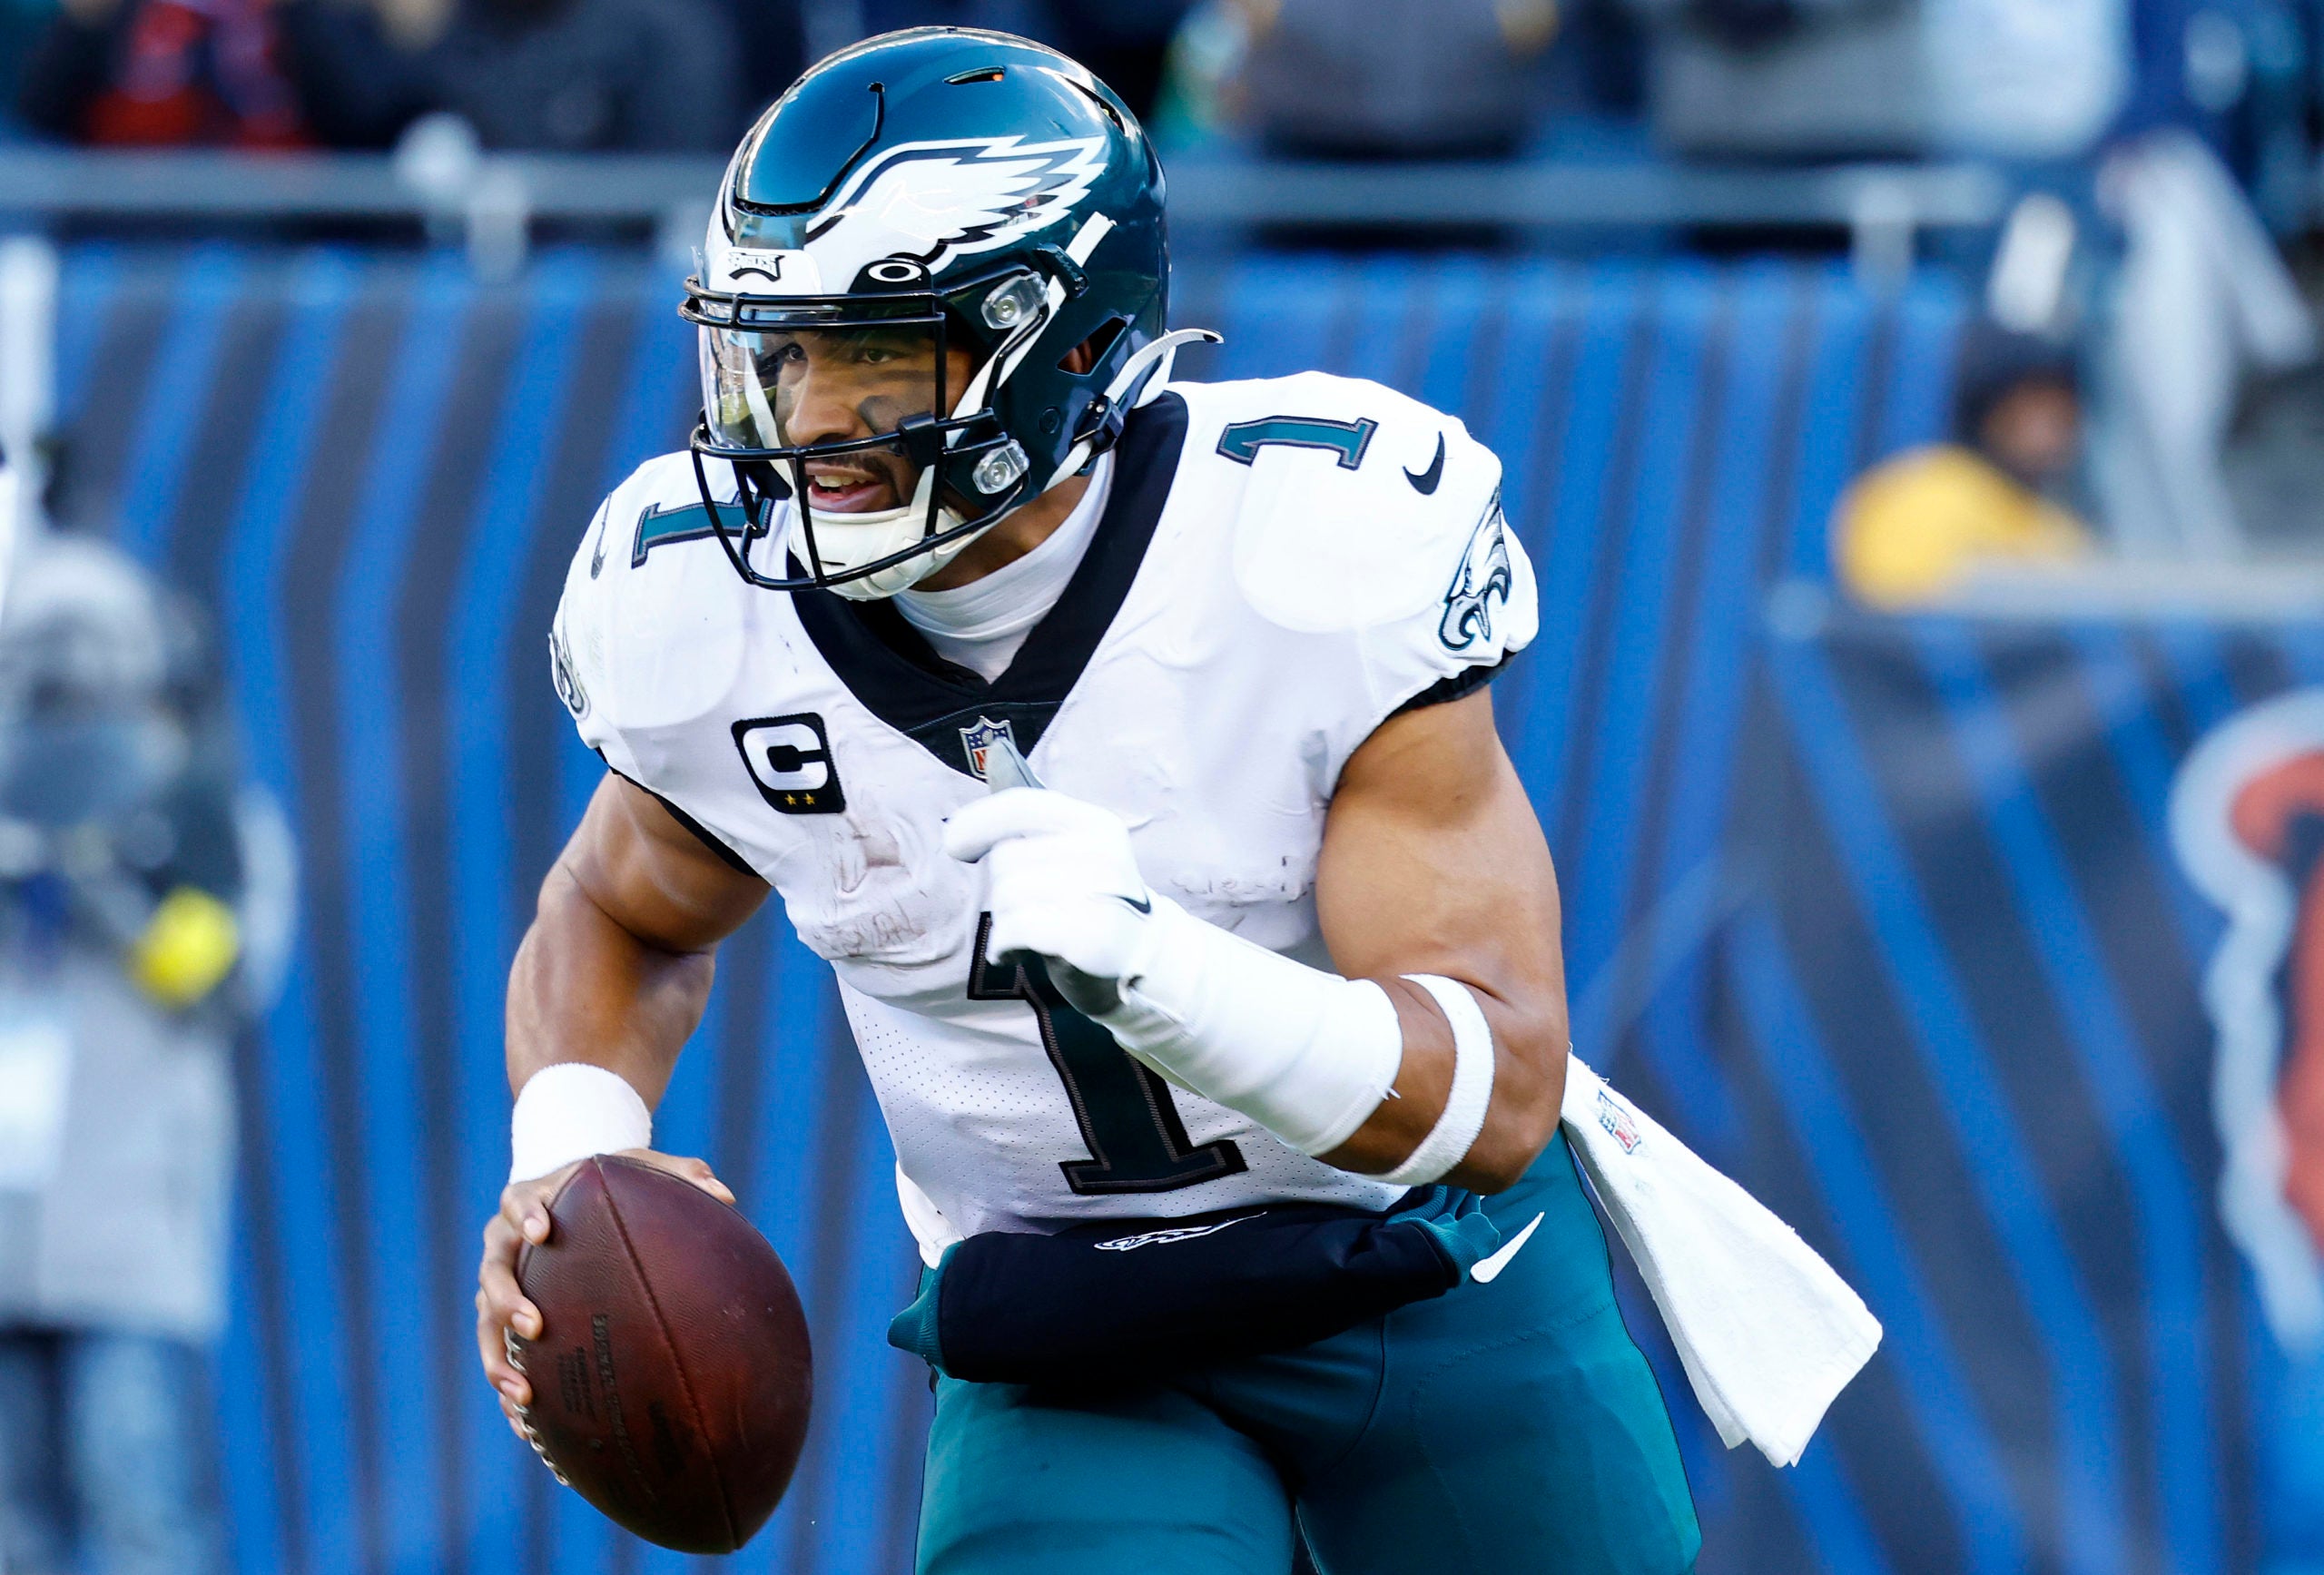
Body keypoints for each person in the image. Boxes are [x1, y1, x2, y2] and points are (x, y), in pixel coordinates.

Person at [475, 27, 1700, 1574]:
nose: (809, 424)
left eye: (872, 353)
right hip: (1072, 1324)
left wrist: (1160, 973)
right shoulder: (701, 616)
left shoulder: (1308, 548)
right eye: (776, 356)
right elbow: (621, 913)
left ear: (1054, 337)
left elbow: (1500, 1093)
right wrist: (573, 1147)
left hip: (1426, 1274)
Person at [0, 509, 261, 1575]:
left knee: (141, 1518)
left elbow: (219, 974)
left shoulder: (205, 830)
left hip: (126, 1251)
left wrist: (108, 873)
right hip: (7, 1243)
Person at [1834, 319, 2096, 607]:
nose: (2048, 436)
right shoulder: (1923, 495)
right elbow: (1901, 620)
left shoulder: (2056, 525)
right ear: (1988, 412)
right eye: (2032, 414)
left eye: (2062, 418)